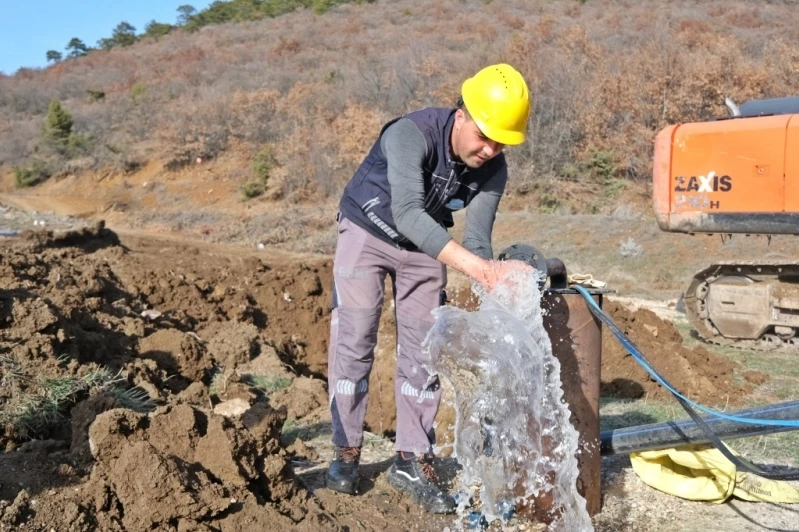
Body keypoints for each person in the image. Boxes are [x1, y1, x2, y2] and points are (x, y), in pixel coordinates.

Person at [325, 64, 532, 513]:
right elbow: (407, 213)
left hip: (425, 244)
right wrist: (477, 268)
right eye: (484, 135)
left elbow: (477, 241)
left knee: (424, 348)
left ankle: (411, 456)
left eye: (502, 141)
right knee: (355, 337)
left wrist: (497, 282)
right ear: (461, 114)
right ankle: (346, 449)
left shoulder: (493, 169)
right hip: (368, 230)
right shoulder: (410, 133)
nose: (490, 148)